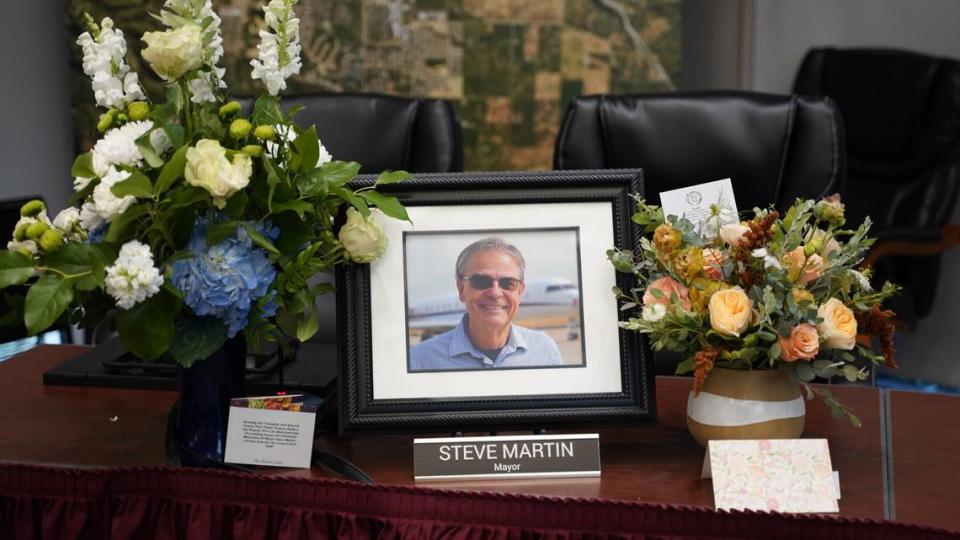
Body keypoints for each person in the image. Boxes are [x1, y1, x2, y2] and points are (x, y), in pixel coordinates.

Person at [409, 237, 564, 371]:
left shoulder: (545, 351)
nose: (495, 293)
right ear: (461, 289)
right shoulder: (420, 360)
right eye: (481, 281)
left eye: (508, 283)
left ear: (520, 291)